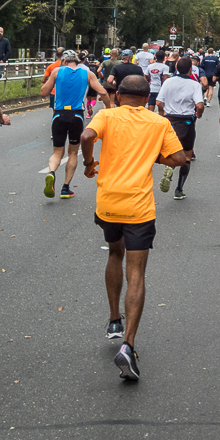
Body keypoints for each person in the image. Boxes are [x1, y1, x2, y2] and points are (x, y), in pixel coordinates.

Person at [80, 75, 186, 380]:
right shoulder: (159, 123)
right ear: (146, 97)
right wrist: (156, 156)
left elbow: (86, 137)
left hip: (109, 203)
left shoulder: (106, 115)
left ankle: (114, 318)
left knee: (115, 254)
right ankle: (128, 344)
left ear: (119, 94)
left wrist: (89, 164)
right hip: (139, 208)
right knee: (136, 272)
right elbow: (179, 158)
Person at [40, 50, 108, 200]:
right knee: (72, 153)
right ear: (78, 62)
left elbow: (43, 92)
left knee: (57, 152)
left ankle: (51, 172)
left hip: (58, 115)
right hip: (77, 115)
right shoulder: (88, 74)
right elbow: (102, 91)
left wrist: (51, 82)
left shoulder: (57, 71)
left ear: (64, 61)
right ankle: (65, 188)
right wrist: (109, 108)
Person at [155, 56, 205, 200]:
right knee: (187, 156)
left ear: (176, 68)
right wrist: (198, 114)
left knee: (172, 149)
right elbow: (200, 105)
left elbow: (159, 101)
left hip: (170, 120)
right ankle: (179, 189)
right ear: (190, 69)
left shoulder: (168, 82)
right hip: (186, 122)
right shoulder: (194, 85)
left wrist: (166, 111)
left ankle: (170, 166)